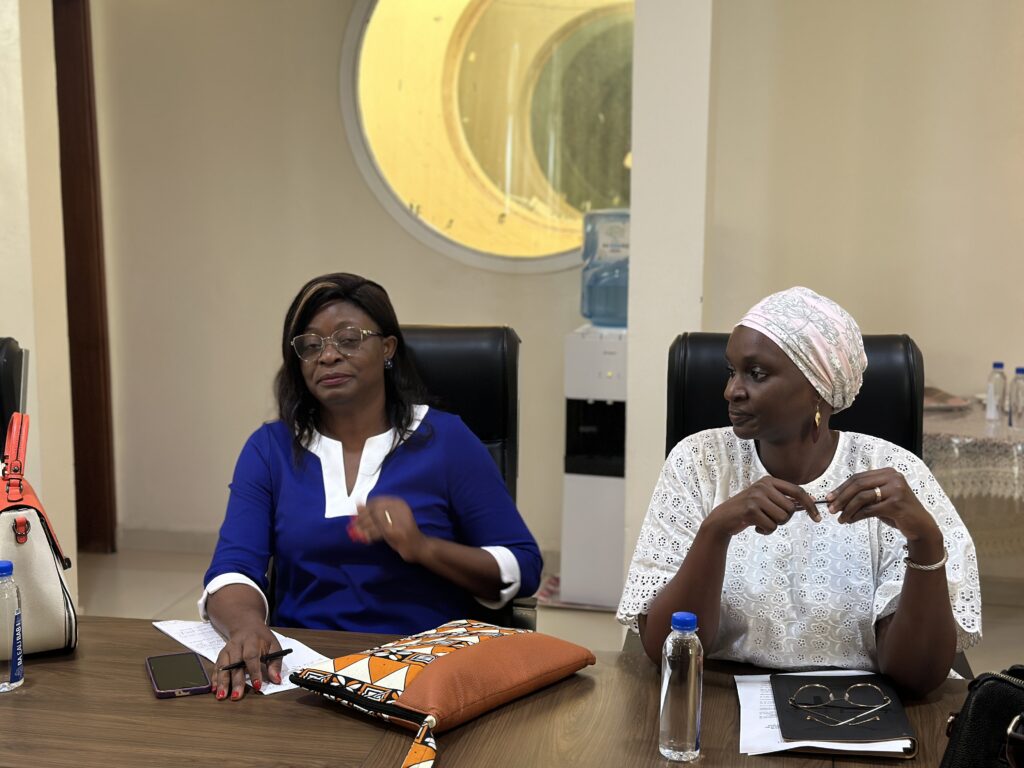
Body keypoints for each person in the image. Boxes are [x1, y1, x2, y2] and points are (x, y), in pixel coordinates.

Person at [617, 286, 981, 696]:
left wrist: (925, 540)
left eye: (756, 374)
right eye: (731, 371)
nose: (731, 390)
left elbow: (915, 675)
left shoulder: (894, 475)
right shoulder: (699, 461)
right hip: (718, 699)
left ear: (818, 390)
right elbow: (663, 648)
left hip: (856, 707)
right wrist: (715, 531)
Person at [201, 273, 542, 700]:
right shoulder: (270, 448)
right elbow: (232, 569)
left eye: (348, 339)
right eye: (311, 345)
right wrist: (248, 627)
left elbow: (523, 565)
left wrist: (424, 548)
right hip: (302, 675)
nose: (328, 356)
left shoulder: (446, 441)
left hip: (424, 673)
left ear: (388, 348)